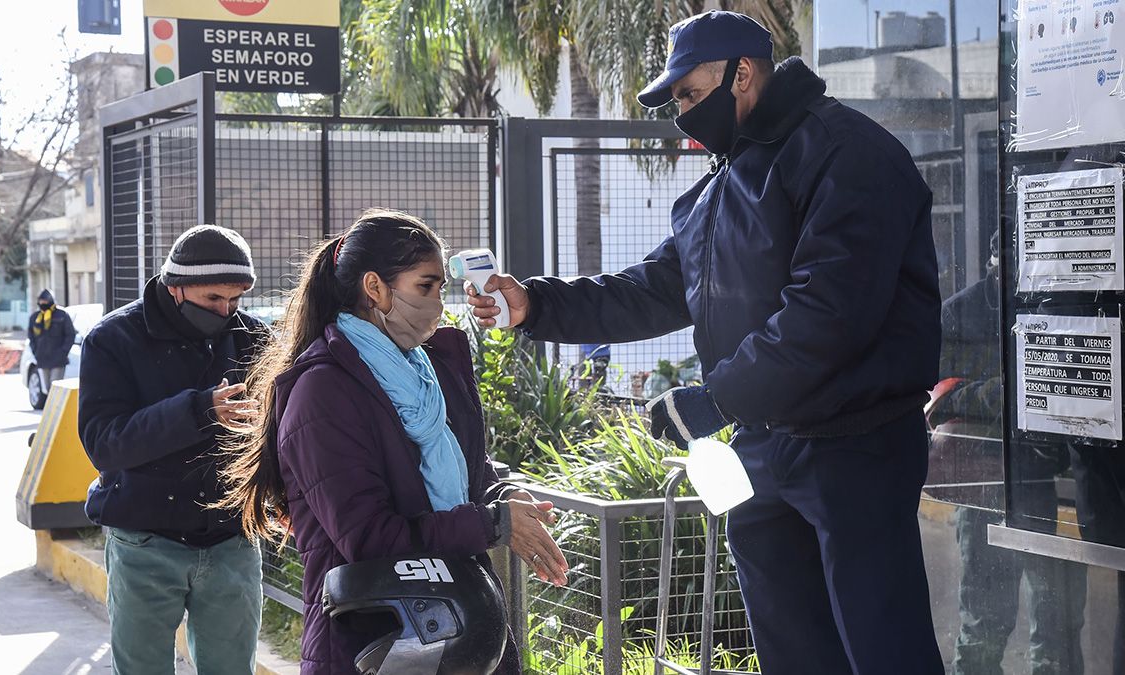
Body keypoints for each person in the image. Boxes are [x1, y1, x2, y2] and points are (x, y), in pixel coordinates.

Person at [468, 11, 943, 675]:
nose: (684, 114)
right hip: (761, 452)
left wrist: (714, 399)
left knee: (884, 651)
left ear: (743, 73)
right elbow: (650, 290)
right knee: (793, 655)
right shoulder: (722, 186)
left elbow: (826, 316)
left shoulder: (848, 155)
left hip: (855, 447)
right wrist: (538, 305)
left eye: (690, 94)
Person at [215, 209, 567, 675]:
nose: (439, 305)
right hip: (374, 643)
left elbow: (471, 477)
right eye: (425, 287)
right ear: (375, 288)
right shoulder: (322, 391)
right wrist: (490, 523)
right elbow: (368, 537)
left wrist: (503, 503)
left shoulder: (435, 368)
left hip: (460, 629)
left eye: (441, 289)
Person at [78, 224, 269, 674]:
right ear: (177, 287)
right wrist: (200, 411)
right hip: (144, 540)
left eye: (236, 299)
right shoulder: (112, 340)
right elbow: (105, 444)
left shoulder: (252, 337)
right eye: (213, 300)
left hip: (232, 541)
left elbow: (278, 431)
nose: (227, 311)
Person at [926, 234, 1086, 674]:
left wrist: (971, 396)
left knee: (1044, 630)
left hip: (1028, 476)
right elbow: (938, 400)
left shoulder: (1045, 306)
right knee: (997, 624)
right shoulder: (963, 312)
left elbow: (1028, 393)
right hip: (991, 479)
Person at [28, 288, 76, 396]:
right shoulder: (35, 317)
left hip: (58, 359)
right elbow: (31, 337)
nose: (42, 304)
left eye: (44, 301)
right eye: (40, 301)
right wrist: (36, 352)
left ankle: (55, 411)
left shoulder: (62, 315)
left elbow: (70, 335)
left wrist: (63, 352)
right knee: (47, 389)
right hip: (42, 359)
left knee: (56, 388)